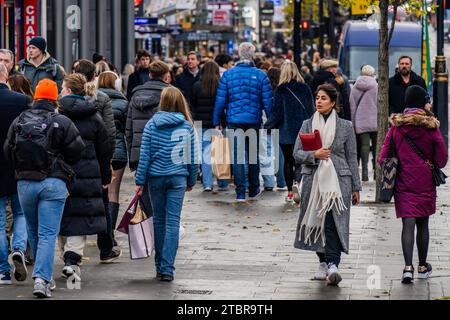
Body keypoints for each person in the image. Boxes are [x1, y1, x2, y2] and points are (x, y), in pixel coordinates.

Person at [4, 79, 85, 298]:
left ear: (36, 97)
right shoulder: (62, 121)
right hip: (53, 183)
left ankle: (43, 275)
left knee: (33, 230)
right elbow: (78, 151)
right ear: (55, 98)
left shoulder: (20, 120)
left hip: (25, 184)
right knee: (49, 233)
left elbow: (8, 150)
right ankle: (41, 279)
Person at [293, 83, 361, 286]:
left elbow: (352, 157)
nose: (318, 101)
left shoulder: (346, 126)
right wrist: (315, 155)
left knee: (332, 222)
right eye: (317, 98)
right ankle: (322, 262)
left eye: (323, 98)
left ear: (333, 102)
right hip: (313, 180)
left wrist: (357, 187)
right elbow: (296, 153)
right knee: (316, 220)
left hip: (339, 181)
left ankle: (333, 264)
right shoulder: (307, 124)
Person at [378, 85, 447, 284]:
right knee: (423, 224)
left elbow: (383, 157)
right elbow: (442, 160)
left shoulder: (396, 128)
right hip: (425, 183)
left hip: (403, 183)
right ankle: (423, 266)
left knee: (407, 224)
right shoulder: (432, 128)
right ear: (421, 102)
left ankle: (407, 268)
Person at [135, 87, 198, 282]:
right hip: (178, 177)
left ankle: (159, 264)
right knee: (172, 222)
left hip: (155, 178)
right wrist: (191, 179)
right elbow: (192, 158)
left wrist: (139, 181)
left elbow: (144, 155)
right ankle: (168, 268)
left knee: (159, 221)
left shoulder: (152, 125)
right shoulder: (186, 127)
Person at [57, 73, 113, 279]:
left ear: (69, 91)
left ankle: (67, 256)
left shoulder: (59, 116)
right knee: (82, 216)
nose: (61, 91)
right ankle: (72, 258)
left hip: (62, 173)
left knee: (64, 213)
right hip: (89, 174)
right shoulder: (95, 117)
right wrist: (106, 178)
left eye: (63, 88)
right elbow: (104, 150)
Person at [213, 42, 273, 202]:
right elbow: (267, 102)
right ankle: (254, 189)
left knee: (238, 157)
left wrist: (216, 120)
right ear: (253, 55)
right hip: (254, 120)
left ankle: (240, 192)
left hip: (234, 120)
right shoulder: (261, 75)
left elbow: (220, 100)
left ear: (239, 55)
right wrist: (271, 122)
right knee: (253, 155)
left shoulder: (228, 75)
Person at [266, 60, 315, 203]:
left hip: (286, 131)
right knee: (300, 161)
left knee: (288, 161)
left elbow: (277, 113)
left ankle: (289, 192)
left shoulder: (281, 90)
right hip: (302, 130)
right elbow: (311, 109)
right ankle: (298, 185)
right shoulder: (305, 88)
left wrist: (268, 126)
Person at [127, 61, 170, 215]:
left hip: (140, 152)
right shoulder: (170, 94)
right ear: (166, 76)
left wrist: (131, 156)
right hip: (164, 152)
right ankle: (159, 231)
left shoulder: (135, 94)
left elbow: (129, 129)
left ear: (150, 74)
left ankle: (150, 230)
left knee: (144, 196)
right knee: (164, 197)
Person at [0, 63, 30, 285]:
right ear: (6, 76)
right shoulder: (21, 101)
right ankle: (19, 247)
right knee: (21, 213)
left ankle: (2, 271)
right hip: (18, 165)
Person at [98, 71, 129, 244]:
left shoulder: (92, 99)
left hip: (96, 153)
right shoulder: (123, 103)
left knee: (99, 192)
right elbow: (127, 130)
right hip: (117, 153)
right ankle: (109, 233)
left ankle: (100, 230)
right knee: (113, 192)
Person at [190, 60, 228, 192]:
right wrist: (223, 123)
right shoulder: (221, 86)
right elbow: (223, 107)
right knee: (220, 153)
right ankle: (222, 182)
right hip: (217, 124)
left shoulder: (196, 86)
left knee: (206, 155)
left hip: (201, 124)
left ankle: (207, 183)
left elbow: (192, 106)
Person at [350, 65, 379, 182]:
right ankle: (377, 171)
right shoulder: (377, 86)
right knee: (377, 147)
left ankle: (364, 173)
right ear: (372, 74)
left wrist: (353, 122)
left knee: (364, 146)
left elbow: (352, 106)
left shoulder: (355, 87)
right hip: (376, 120)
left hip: (360, 120)